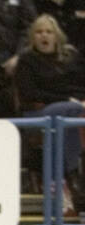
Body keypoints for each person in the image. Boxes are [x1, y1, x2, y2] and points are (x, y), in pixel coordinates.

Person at [16, 13, 85, 194]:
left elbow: (79, 86)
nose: (44, 36)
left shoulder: (69, 59)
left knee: (71, 115)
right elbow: (30, 93)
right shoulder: (26, 60)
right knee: (73, 110)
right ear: (33, 37)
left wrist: (76, 99)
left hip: (69, 109)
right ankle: (66, 175)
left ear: (57, 36)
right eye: (39, 32)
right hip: (36, 112)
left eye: (49, 32)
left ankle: (60, 178)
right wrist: (67, 99)